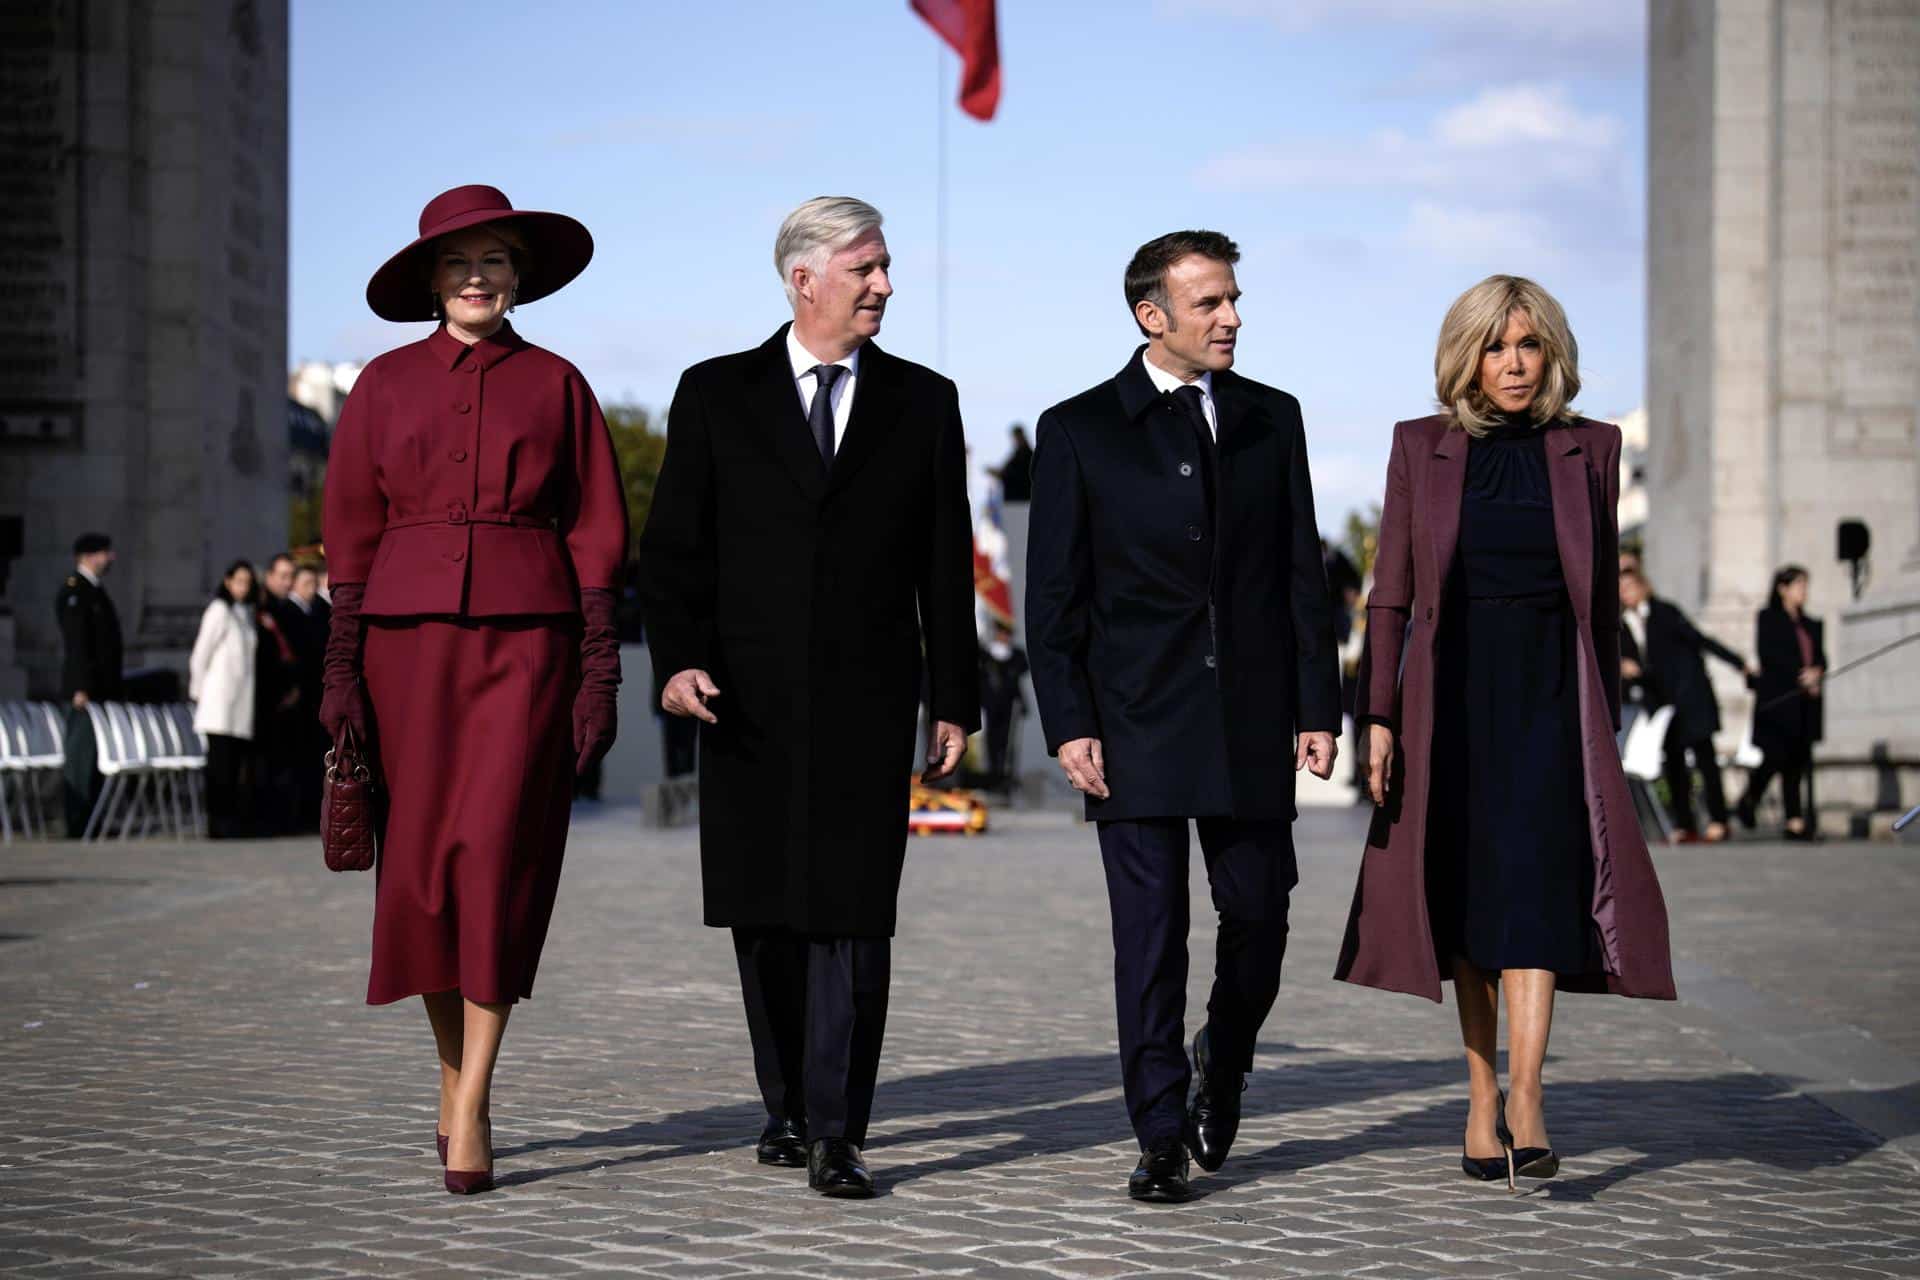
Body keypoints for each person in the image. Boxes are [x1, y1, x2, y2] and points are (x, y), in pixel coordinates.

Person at [637, 196, 977, 1199]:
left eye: (884, 266)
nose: (884, 284)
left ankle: (839, 1129)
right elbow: (673, 552)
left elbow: (943, 561)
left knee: (855, 915)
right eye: (866, 267)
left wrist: (953, 696)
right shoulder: (714, 393)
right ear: (805, 279)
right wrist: (680, 657)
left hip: (871, 702)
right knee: (768, 916)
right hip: (741, 703)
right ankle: (784, 1101)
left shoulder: (924, 400)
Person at [1338, 274, 1676, 1192]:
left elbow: (1601, 607)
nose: (1514, 364)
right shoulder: (1423, 447)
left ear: (1552, 352)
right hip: (1451, 699)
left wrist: (1601, 715)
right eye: (1495, 346)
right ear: (1467, 356)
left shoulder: (1591, 449)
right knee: (1466, 897)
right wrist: (1377, 716)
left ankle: (1527, 1094)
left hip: (1552, 699)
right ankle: (1480, 1091)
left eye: (1528, 345)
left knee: (1537, 886)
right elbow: (1393, 593)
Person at [320, 184, 626, 1195]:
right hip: (403, 651)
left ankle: (470, 1095)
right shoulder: (382, 384)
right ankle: (462, 1083)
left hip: (527, 649)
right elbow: (350, 530)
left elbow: (596, 535)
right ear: (430, 282)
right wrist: (340, 669)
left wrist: (595, 669)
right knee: (420, 878)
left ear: (518, 275)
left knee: (496, 862)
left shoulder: (561, 384)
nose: (479, 277)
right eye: (459, 264)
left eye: (494, 260)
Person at [1025, 230, 1341, 1203]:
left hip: (1248, 719)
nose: (1232, 317)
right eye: (1209, 303)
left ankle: (1227, 1054)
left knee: (1259, 913)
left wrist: (1315, 702)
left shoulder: (1271, 419)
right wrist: (1070, 719)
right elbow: (1053, 597)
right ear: (1151, 316)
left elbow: (1301, 575)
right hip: (1133, 723)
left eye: (1234, 298)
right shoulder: (1079, 427)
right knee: (1150, 936)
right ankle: (1160, 1131)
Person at [1618, 564, 1754, 842]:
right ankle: (1685, 824)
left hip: (1690, 697)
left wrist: (1739, 663)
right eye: (1621, 589)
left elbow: (1699, 640)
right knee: (1675, 763)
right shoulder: (1622, 626)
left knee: (1705, 760)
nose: (1626, 594)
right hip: (1663, 706)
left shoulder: (1665, 613)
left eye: (1630, 587)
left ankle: (1718, 820)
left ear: (1643, 587)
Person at [1738, 565, 1826, 840]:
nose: (1803, 592)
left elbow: (1821, 656)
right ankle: (1750, 799)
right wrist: (1800, 675)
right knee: (1775, 757)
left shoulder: (1812, 624)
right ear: (1782, 589)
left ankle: (1795, 820)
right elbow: (1770, 655)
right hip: (1778, 700)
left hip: (1805, 704)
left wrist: (1817, 671)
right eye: (1798, 585)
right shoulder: (1768, 618)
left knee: (1797, 761)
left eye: (1805, 585)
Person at [54, 532, 123, 837]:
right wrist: (80, 686)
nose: (110, 558)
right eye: (105, 552)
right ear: (87, 555)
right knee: (81, 758)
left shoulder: (94, 591)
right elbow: (77, 643)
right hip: (85, 690)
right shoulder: (75, 591)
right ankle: (78, 822)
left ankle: (92, 821)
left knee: (96, 758)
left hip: (101, 689)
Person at [189, 560, 261, 838]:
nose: (243, 587)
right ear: (228, 581)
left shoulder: (243, 612)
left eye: (248, 582)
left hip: (240, 703)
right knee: (219, 767)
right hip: (218, 702)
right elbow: (201, 654)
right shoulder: (218, 610)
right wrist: (198, 694)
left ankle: (231, 820)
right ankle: (217, 823)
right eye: (239, 581)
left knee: (233, 767)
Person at [255, 553, 304, 833]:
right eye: (283, 576)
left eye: (291, 576)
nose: (288, 582)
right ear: (270, 577)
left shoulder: (286, 610)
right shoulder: (264, 610)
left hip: (287, 696)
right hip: (268, 699)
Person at [284, 564, 332, 829]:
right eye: (306, 583)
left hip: (316, 694)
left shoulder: (320, 610)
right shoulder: (287, 611)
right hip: (297, 695)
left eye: (314, 583)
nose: (311, 589)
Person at [977, 619, 1029, 788]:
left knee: (1007, 741)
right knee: (989, 740)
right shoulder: (985, 654)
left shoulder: (1016, 655)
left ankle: (1004, 774)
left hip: (1009, 705)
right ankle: (992, 774)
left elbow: (1020, 674)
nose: (1004, 636)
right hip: (989, 704)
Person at [993, 424, 1034, 502]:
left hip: (1019, 500)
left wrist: (1001, 474)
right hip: (1021, 500)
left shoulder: (1024, 455)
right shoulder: (1023, 454)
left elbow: (1014, 475)